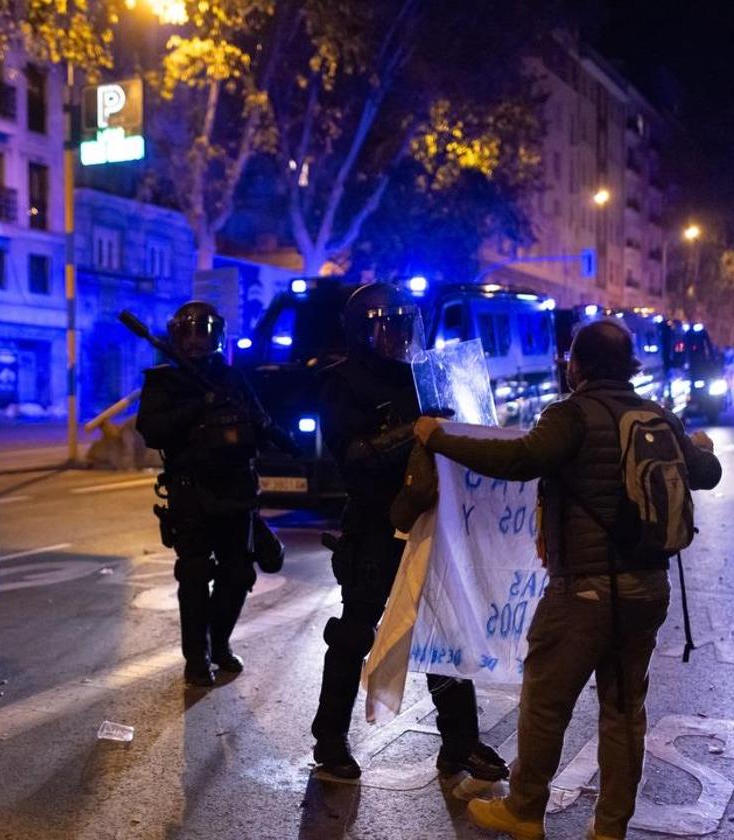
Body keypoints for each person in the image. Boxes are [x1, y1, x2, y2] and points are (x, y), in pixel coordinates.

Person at [415, 319, 721, 840]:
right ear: (628, 366)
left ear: (575, 365)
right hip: (647, 592)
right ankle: (609, 828)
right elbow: (706, 473)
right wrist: (702, 445)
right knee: (624, 714)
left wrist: (440, 437)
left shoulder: (570, 414)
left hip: (582, 592)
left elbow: (518, 460)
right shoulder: (659, 418)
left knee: (546, 704)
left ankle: (525, 811)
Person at [311, 282, 508, 781]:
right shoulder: (343, 382)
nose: (398, 336)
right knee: (355, 631)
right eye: (386, 326)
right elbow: (351, 454)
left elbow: (465, 434)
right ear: (361, 331)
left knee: (446, 632)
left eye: (405, 325)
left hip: (432, 523)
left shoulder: (427, 376)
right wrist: (413, 430)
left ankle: (460, 743)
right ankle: (330, 738)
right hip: (376, 527)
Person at [135, 301, 268, 687]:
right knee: (194, 575)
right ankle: (197, 658)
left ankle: (219, 643)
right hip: (191, 492)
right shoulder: (164, 381)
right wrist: (200, 405)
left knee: (238, 573)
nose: (195, 341)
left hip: (237, 490)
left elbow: (258, 424)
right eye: (187, 333)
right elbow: (153, 431)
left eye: (203, 332)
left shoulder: (233, 378)